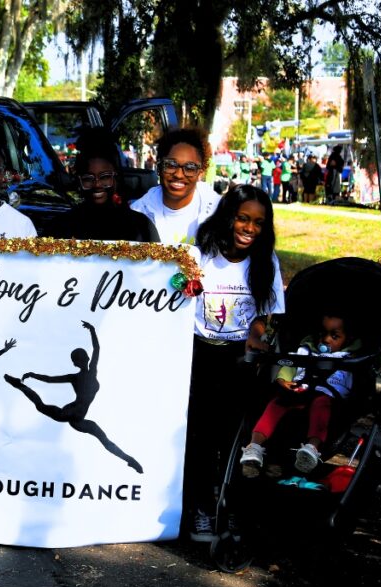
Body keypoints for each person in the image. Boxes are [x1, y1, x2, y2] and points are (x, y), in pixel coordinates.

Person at [185, 184, 285, 541]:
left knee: (232, 437)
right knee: (200, 435)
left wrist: (256, 334)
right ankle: (198, 508)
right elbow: (177, 292)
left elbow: (263, 315)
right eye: (243, 218)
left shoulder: (265, 262)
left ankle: (226, 505)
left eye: (258, 223)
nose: (249, 228)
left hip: (239, 359)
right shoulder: (203, 253)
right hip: (199, 351)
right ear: (228, 217)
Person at [4, 321, 143, 473]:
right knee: (40, 406)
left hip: (78, 420)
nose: (84, 360)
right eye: (80, 359)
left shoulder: (90, 372)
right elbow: (50, 379)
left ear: (83, 360)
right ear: (79, 362)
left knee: (104, 440)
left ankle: (130, 460)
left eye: (82, 358)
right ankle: (18, 384)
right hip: (70, 413)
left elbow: (97, 348)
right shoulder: (77, 377)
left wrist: (92, 330)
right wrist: (32, 374)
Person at [240, 313, 359, 478]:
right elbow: (289, 365)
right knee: (277, 403)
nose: (326, 340)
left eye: (334, 336)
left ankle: (311, 449)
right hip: (299, 391)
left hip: (325, 396)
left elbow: (348, 387)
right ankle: (254, 446)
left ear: (348, 339)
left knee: (321, 405)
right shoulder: (305, 350)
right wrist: (283, 381)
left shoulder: (348, 359)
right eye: (322, 334)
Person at [49, 128, 159, 241]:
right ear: (79, 181)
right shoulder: (61, 226)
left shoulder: (141, 226)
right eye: (88, 178)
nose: (97, 184)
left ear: (116, 178)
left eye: (105, 177)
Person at [130, 128, 220, 244]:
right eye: (171, 165)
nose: (178, 175)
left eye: (190, 168)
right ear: (159, 168)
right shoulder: (139, 211)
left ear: (200, 173)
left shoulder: (217, 211)